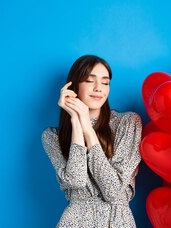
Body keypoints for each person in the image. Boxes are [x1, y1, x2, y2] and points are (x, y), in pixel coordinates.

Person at [41, 55, 142, 227]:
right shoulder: (52, 137)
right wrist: (76, 122)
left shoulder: (128, 123)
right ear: (73, 86)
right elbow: (76, 180)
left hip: (117, 221)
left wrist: (88, 128)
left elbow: (112, 190)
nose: (98, 88)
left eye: (105, 82)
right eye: (89, 80)